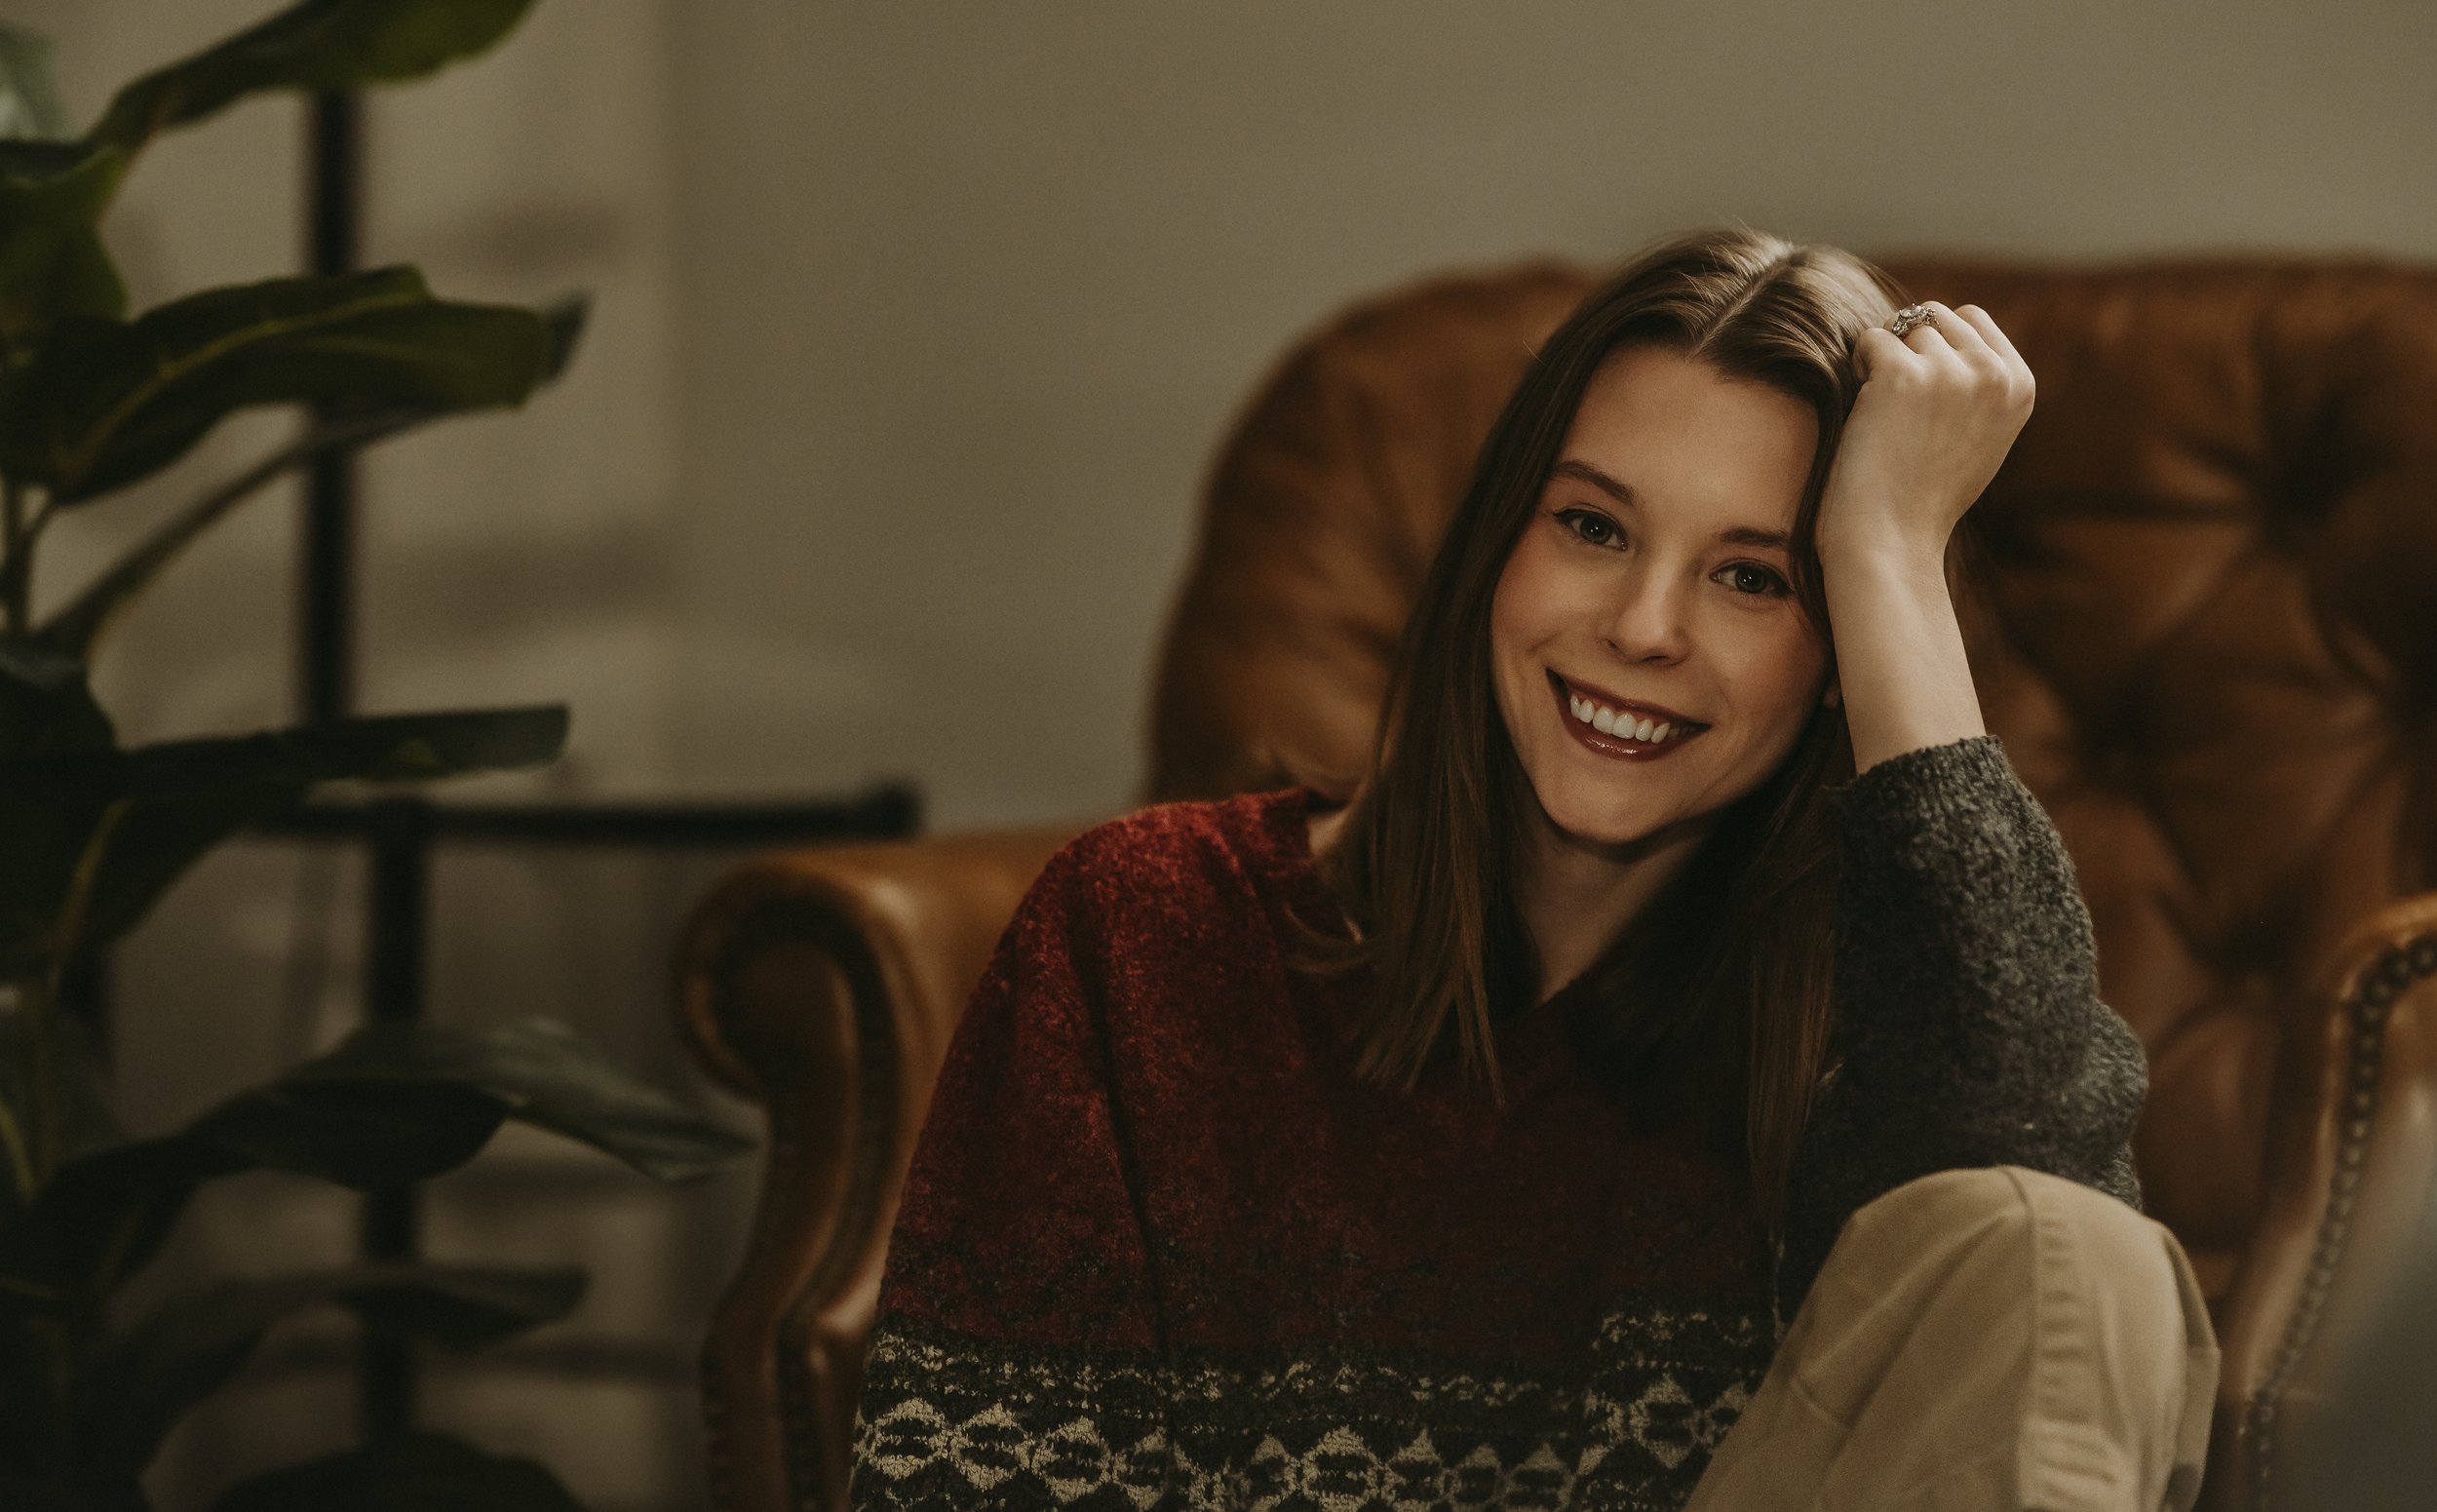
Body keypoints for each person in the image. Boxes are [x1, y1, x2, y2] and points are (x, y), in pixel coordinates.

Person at [846, 229, 2221, 1511]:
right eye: (1594, 527)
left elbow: (2048, 1289)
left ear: (1835, 662)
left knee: (2069, 1253)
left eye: (1757, 580)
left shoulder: (1872, 1011)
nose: (1642, 628)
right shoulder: (1145, 927)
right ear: (1497, 545)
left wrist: (1893, 556)